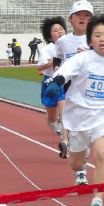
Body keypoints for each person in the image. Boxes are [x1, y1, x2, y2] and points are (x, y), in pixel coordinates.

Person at [44, 14, 104, 206]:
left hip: (103, 115)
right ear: (90, 40)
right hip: (78, 116)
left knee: (102, 153)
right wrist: (53, 84)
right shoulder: (83, 58)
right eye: (97, 35)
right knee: (76, 164)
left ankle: (98, 200)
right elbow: (63, 73)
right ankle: (80, 162)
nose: (102, 39)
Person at [52, 0, 93, 157]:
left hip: (90, 88)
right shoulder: (64, 41)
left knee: (87, 125)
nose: (82, 18)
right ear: (70, 19)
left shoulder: (95, 39)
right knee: (75, 123)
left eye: (87, 15)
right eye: (78, 15)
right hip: (70, 88)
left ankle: (79, 148)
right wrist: (57, 70)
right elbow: (57, 56)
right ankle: (76, 150)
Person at [36, 16, 68, 154]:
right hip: (49, 83)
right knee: (52, 119)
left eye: (61, 29)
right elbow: (40, 67)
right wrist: (55, 60)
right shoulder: (48, 49)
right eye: (56, 30)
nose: (60, 31)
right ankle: (55, 125)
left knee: (65, 113)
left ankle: (65, 140)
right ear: (50, 37)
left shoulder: (71, 45)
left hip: (64, 82)